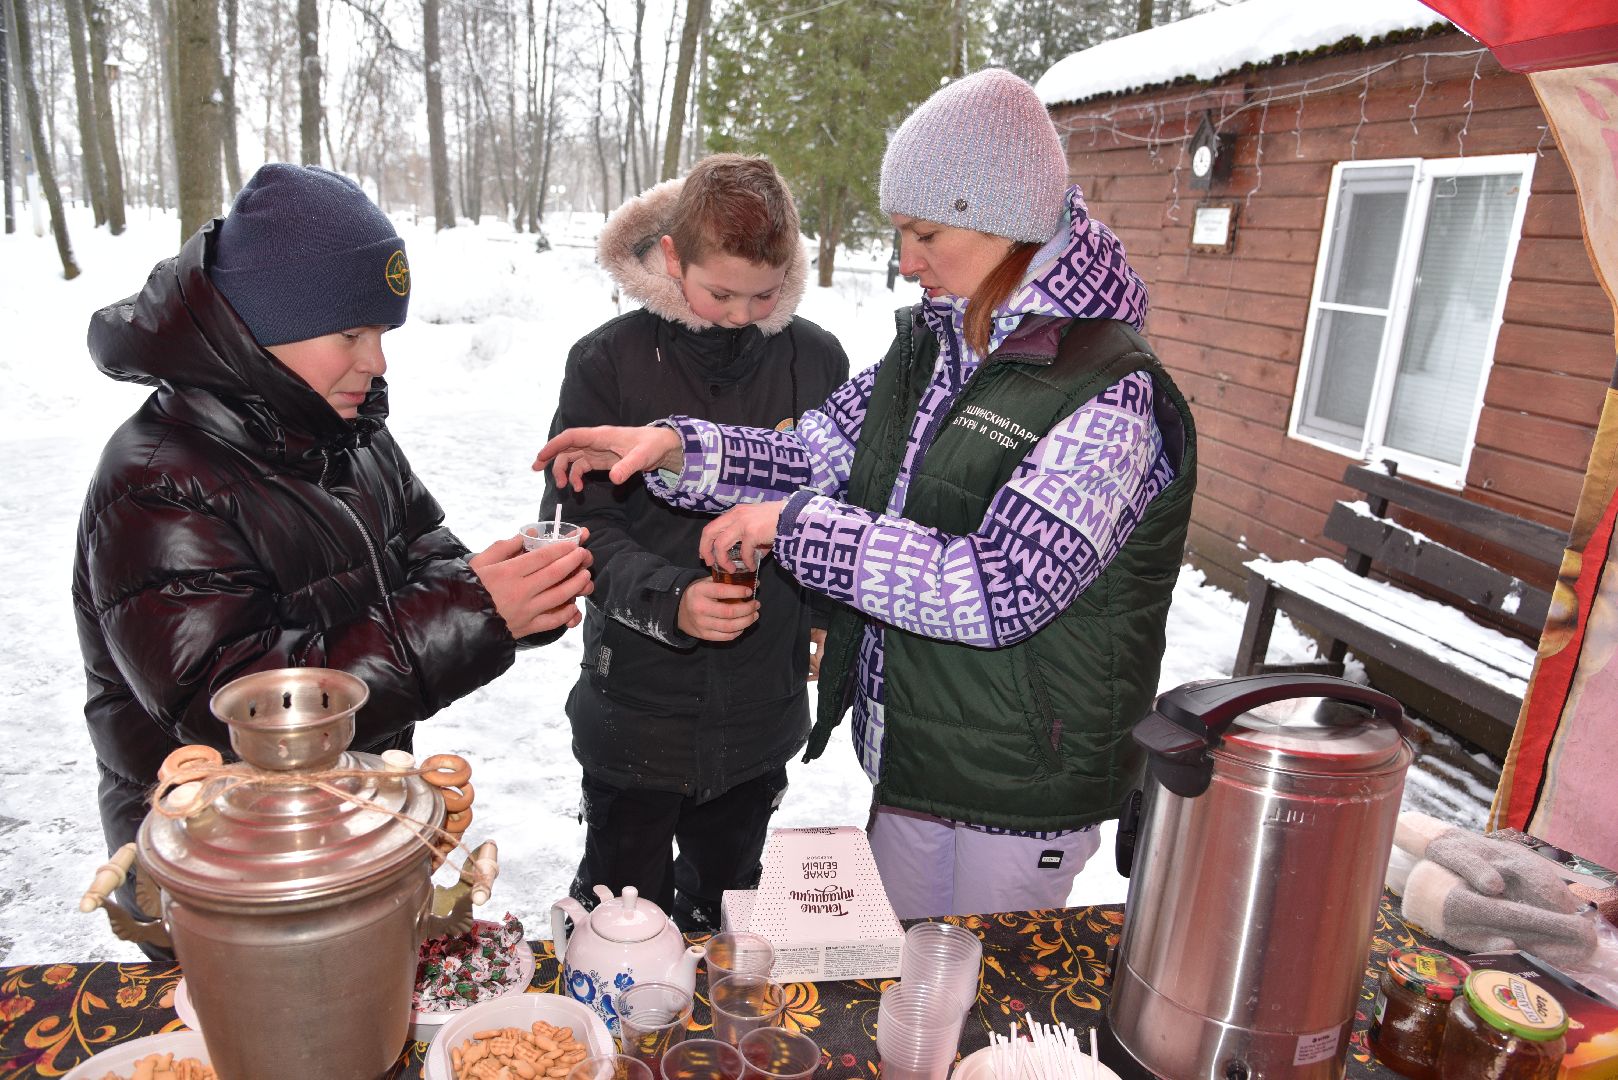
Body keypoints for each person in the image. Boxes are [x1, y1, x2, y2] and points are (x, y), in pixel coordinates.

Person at [538, 70, 1196, 919]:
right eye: (900, 232)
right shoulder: (935, 345)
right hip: (918, 749)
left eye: (924, 233)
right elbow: (815, 450)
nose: (905, 260)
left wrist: (797, 531)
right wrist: (676, 446)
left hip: (1019, 774)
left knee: (981, 1012)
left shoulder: (1108, 392)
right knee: (900, 990)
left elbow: (994, 588)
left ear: (1007, 223)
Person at [74, 164, 594, 945]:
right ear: (260, 323)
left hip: (341, 833)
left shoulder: (343, 429)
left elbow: (424, 558)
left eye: (382, 333)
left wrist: (505, 593)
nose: (376, 361)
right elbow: (233, 708)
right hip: (221, 878)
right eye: (351, 333)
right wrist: (472, 612)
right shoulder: (157, 484)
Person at [542, 154, 849, 931]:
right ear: (672, 258)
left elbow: (836, 501)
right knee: (621, 914)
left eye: (765, 294)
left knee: (725, 911)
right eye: (720, 293)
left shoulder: (816, 360)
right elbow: (581, 526)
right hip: (637, 706)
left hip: (760, 707)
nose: (742, 315)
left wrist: (817, 618)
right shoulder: (606, 360)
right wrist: (670, 599)